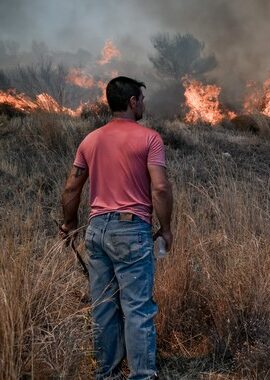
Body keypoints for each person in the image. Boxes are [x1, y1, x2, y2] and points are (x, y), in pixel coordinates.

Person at [59, 76, 174, 379]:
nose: (144, 105)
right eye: (141, 100)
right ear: (133, 102)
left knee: (104, 307)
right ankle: (142, 376)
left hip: (96, 231)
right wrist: (166, 229)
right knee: (137, 309)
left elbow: (72, 188)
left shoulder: (90, 140)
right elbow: (160, 189)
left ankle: (106, 374)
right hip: (131, 230)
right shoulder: (149, 138)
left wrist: (70, 223)